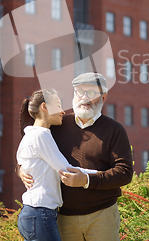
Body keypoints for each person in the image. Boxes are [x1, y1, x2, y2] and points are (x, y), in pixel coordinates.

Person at [20, 72, 133, 241]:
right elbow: (30, 149)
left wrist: (86, 180)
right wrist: (21, 170)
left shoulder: (115, 130)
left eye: (92, 93)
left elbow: (124, 173)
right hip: (63, 217)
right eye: (80, 92)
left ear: (103, 97)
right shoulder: (57, 124)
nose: (84, 98)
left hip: (102, 215)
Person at [16, 89, 97, 241]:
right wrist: (100, 175)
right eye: (58, 105)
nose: (62, 111)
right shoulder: (40, 135)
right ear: (44, 107)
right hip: (40, 213)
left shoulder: (31, 135)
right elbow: (66, 170)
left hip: (33, 214)